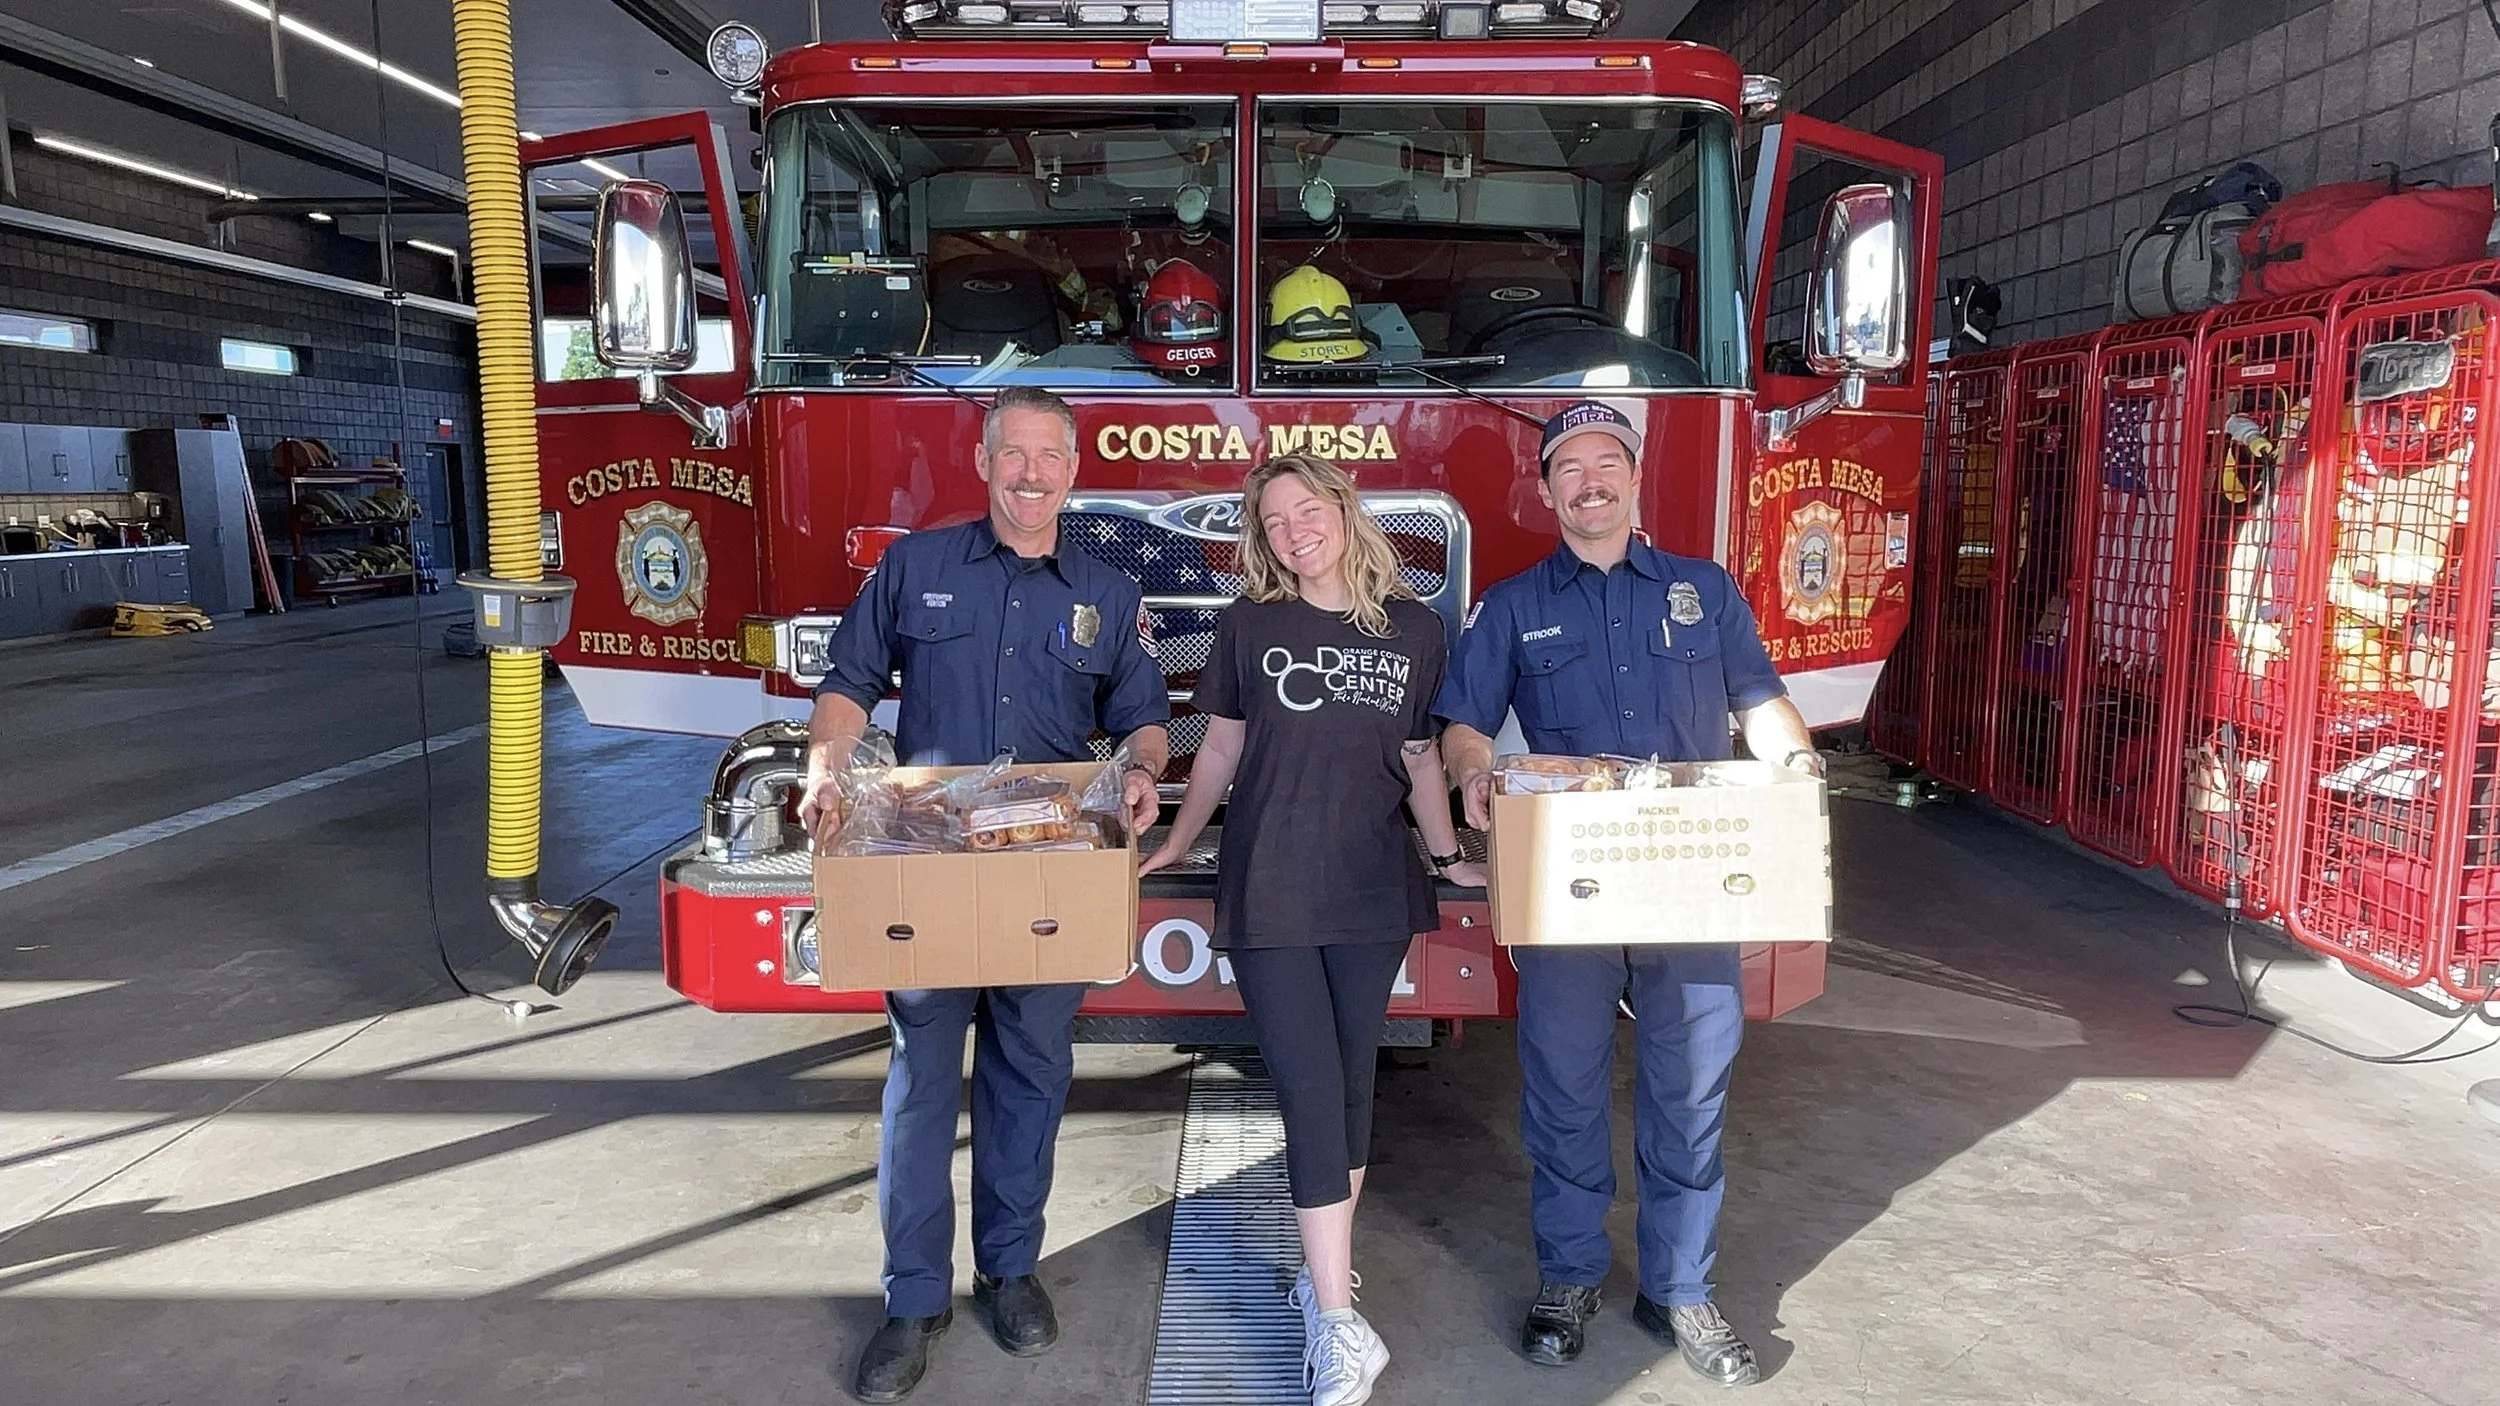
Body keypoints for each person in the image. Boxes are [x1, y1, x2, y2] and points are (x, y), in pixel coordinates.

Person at [1431, 401, 1821, 1389]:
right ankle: (1568, 1278)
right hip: (1572, 888)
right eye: (1570, 466)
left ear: (1633, 477)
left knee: (1687, 1094)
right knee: (1562, 1092)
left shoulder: (1704, 590)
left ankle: (1679, 1288)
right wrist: (1475, 771)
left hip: (1691, 880)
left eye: (1607, 462)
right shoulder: (1514, 604)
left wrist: (1797, 763)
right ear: (1548, 486)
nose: (1589, 481)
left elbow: (1760, 704)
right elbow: (1464, 725)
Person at [796, 385, 1171, 1404]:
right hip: (928, 862)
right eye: (1015, 454)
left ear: (1071, 468)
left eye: (1050, 456)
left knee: (1029, 1072)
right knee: (922, 1082)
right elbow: (849, 678)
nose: (1032, 473)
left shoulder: (1105, 591)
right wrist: (827, 764)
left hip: (1046, 868)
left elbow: (1142, 714)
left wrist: (1141, 769)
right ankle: (911, 1298)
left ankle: (1009, 1269)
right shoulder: (915, 567)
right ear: (984, 461)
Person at [1141, 454, 1484, 1406]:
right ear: (1263, 537)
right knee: (1305, 1090)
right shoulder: (1250, 624)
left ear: (1344, 510)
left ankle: (1323, 1279)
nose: (1295, 529)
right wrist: (1177, 839)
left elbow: (1420, 758)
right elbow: (1220, 745)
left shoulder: (1413, 628)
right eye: (1275, 518)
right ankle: (1336, 1321)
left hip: (1373, 887)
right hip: (1272, 889)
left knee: (1349, 1087)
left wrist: (1449, 855)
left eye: (1309, 508)